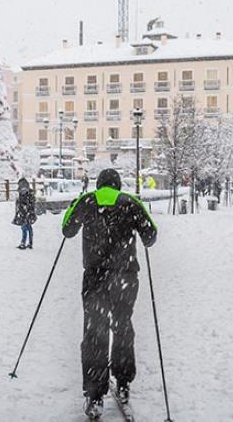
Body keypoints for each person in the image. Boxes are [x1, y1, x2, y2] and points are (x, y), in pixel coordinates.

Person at [62, 169, 158, 419]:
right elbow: (151, 236)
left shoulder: (87, 201)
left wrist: (77, 206)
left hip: (95, 278)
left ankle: (95, 396)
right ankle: (124, 383)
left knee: (95, 333)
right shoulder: (130, 202)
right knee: (122, 327)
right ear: (117, 185)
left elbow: (67, 230)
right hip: (125, 278)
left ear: (99, 184)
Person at [12, 178, 37, 249]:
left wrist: (21, 211)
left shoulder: (23, 190)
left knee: (24, 228)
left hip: (24, 212)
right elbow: (32, 202)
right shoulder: (29, 191)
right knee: (29, 228)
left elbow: (22, 202)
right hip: (29, 213)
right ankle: (30, 243)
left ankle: (23, 243)